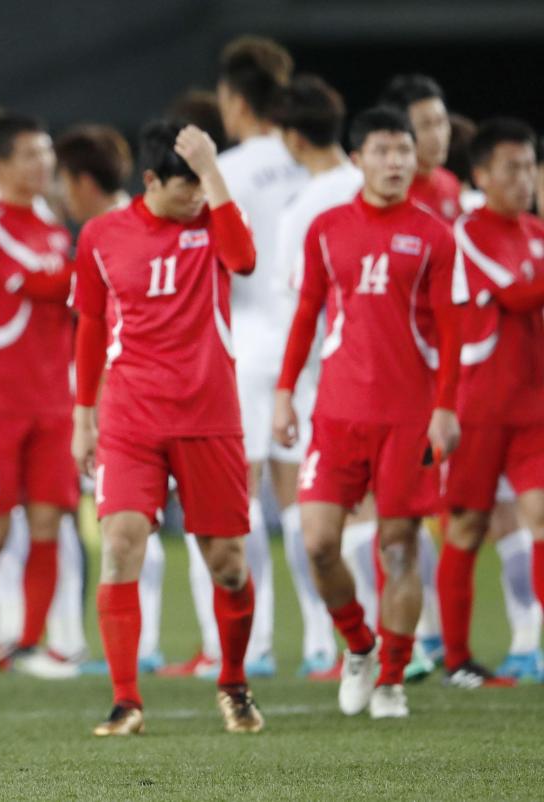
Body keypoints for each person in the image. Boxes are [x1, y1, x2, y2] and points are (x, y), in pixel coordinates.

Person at [273, 105, 466, 719]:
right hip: (336, 413)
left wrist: (445, 409)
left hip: (409, 416)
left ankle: (390, 680)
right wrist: (284, 392)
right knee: (318, 543)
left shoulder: (435, 233)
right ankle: (357, 643)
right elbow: (307, 314)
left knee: (399, 546)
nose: (396, 162)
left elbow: (454, 332)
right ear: (357, 160)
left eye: (404, 151)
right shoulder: (326, 228)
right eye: (383, 151)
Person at [72, 120, 262, 735]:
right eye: (187, 188)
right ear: (151, 181)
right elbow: (91, 329)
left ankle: (233, 683)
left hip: (209, 416)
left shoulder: (213, 224)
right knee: (122, 544)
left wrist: (212, 171)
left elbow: (246, 259)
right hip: (130, 417)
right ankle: (126, 701)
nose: (198, 198)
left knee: (228, 564)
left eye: (204, 186)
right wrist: (84, 416)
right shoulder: (101, 235)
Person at [0, 113, 78, 679]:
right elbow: (48, 282)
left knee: (50, 523)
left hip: (53, 399)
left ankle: (29, 645)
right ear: (2, 166)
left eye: (47, 153)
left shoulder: (52, 223)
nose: (43, 164)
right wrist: (96, 274)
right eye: (30, 154)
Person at [55, 123, 166, 672]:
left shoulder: (106, 230)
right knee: (140, 523)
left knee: (126, 522)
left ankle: (142, 649)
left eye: (63, 180)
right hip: (158, 390)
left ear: (79, 180)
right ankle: (149, 647)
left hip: (130, 395)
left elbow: (97, 327)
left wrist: (87, 410)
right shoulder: (145, 218)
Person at [215, 35, 309, 678]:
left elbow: (223, 261)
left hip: (246, 340)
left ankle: (261, 645)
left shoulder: (231, 169)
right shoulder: (312, 162)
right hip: (309, 344)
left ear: (236, 99)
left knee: (239, 500)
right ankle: (329, 643)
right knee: (308, 497)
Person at [438, 118, 544, 686]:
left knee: (541, 517)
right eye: (512, 167)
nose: (524, 178)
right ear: (481, 175)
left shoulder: (535, 230)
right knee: (466, 528)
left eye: (530, 165)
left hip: (534, 406)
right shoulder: (469, 232)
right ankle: (457, 660)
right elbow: (517, 293)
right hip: (478, 407)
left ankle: (534, 645)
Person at [271, 74, 364, 677]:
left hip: (327, 381)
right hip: (396, 378)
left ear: (292, 138)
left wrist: (294, 390)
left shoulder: (302, 211)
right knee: (389, 518)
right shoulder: (371, 186)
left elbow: (297, 306)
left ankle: (338, 643)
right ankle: (418, 642)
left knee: (325, 518)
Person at [380, 74, 461, 223]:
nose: (437, 136)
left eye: (441, 121)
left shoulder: (450, 184)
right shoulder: (383, 193)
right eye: (425, 125)